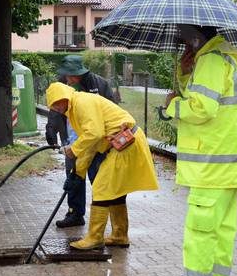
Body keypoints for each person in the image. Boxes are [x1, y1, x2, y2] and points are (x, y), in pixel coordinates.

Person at [158, 24, 237, 276]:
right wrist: (185, 71)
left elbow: (202, 107)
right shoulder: (225, 58)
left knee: (200, 233)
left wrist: (172, 106)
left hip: (211, 164)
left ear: (195, 36)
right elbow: (207, 93)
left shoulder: (213, 60)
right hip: (229, 165)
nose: (180, 41)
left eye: (183, 36)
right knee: (222, 231)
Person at [45, 82, 158, 249]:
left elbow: (94, 134)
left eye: (58, 102)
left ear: (66, 97)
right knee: (114, 191)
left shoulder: (81, 102)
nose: (57, 107)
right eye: (53, 105)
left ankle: (95, 238)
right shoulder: (74, 110)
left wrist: (73, 149)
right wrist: (77, 173)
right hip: (123, 143)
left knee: (101, 188)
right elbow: (91, 144)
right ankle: (119, 235)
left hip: (125, 142)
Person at [45, 55, 117, 228]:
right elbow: (56, 109)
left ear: (81, 72)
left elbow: (112, 109)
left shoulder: (99, 84)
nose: (69, 79)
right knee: (74, 177)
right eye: (67, 75)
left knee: (98, 180)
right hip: (72, 140)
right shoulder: (62, 84)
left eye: (72, 75)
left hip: (96, 142)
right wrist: (51, 129)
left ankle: (102, 219)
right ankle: (75, 213)